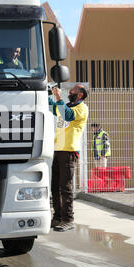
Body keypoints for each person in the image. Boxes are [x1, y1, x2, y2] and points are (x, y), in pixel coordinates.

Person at [49, 84, 89, 232]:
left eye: (74, 89)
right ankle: (58, 217)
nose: (70, 90)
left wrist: (58, 96)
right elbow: (55, 109)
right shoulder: (67, 106)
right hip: (58, 150)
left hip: (69, 151)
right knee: (55, 187)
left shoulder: (81, 108)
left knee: (65, 187)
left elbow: (67, 115)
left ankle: (68, 219)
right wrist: (48, 96)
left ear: (80, 95)